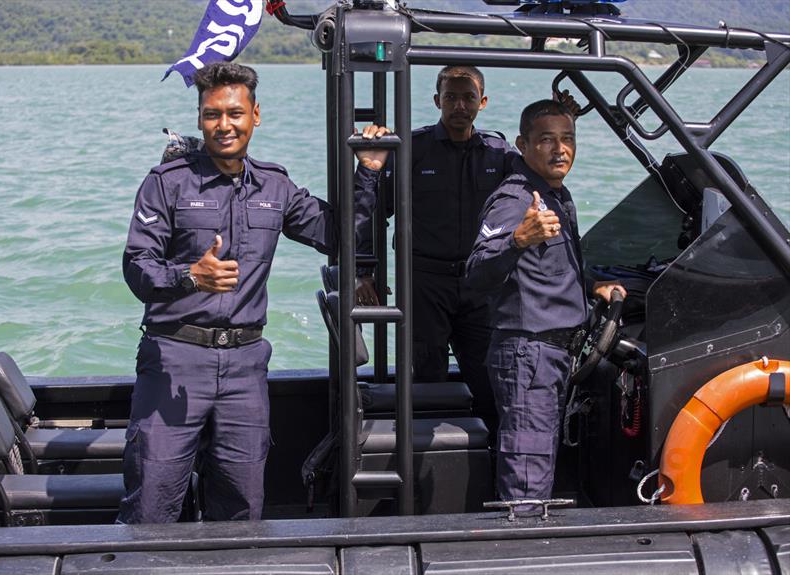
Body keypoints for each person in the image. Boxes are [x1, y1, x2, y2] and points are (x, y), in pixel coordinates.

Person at [119, 62, 383, 523]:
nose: (224, 125)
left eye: (234, 114)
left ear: (255, 115)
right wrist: (189, 276)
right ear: (200, 118)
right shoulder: (166, 183)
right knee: (152, 504)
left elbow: (342, 236)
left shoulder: (274, 186)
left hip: (245, 366)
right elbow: (136, 268)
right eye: (212, 115)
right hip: (174, 358)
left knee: (242, 507)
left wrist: (367, 174)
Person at [465, 99, 625, 503]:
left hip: (553, 355)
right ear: (522, 144)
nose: (560, 149)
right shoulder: (516, 201)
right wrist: (518, 239)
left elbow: (551, 264)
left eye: (568, 138)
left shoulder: (554, 195)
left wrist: (590, 287)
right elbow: (477, 272)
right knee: (526, 477)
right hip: (528, 356)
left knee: (540, 467)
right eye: (547, 140)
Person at [354, 66, 520, 433]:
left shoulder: (498, 153)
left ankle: (488, 459)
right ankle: (426, 466)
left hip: (480, 285)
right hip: (425, 283)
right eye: (450, 97)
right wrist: (364, 269)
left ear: (483, 102)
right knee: (427, 375)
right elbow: (371, 209)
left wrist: (563, 117)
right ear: (436, 101)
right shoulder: (413, 150)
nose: (459, 105)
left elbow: (535, 182)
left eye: (468, 97)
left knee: (489, 377)